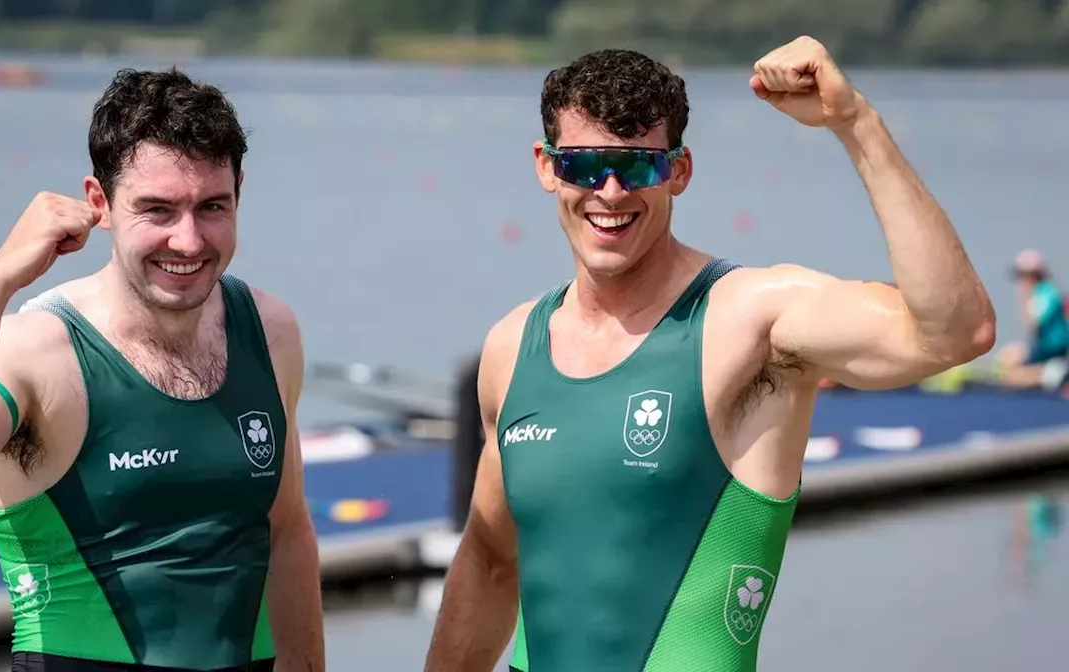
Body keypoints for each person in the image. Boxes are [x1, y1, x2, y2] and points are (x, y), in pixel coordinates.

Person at [423, 37, 995, 672]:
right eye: (585, 165)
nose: (610, 192)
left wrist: (854, 122)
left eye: (639, 166)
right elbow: (489, 561)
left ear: (680, 171)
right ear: (546, 166)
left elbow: (953, 332)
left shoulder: (749, 318)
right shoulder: (512, 345)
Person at [0, 68, 325, 672]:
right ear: (99, 203)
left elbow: (287, 532)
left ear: (239, 189)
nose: (188, 241)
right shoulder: (38, 349)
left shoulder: (269, 330)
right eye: (156, 210)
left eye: (212, 206)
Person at [998, 249, 1068, 391]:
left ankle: (1055, 375)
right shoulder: (1044, 292)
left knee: (1014, 374)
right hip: (1045, 352)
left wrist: (1023, 296)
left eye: (1022, 275)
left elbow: (1032, 324)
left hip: (1053, 353)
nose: (1020, 281)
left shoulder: (1046, 293)